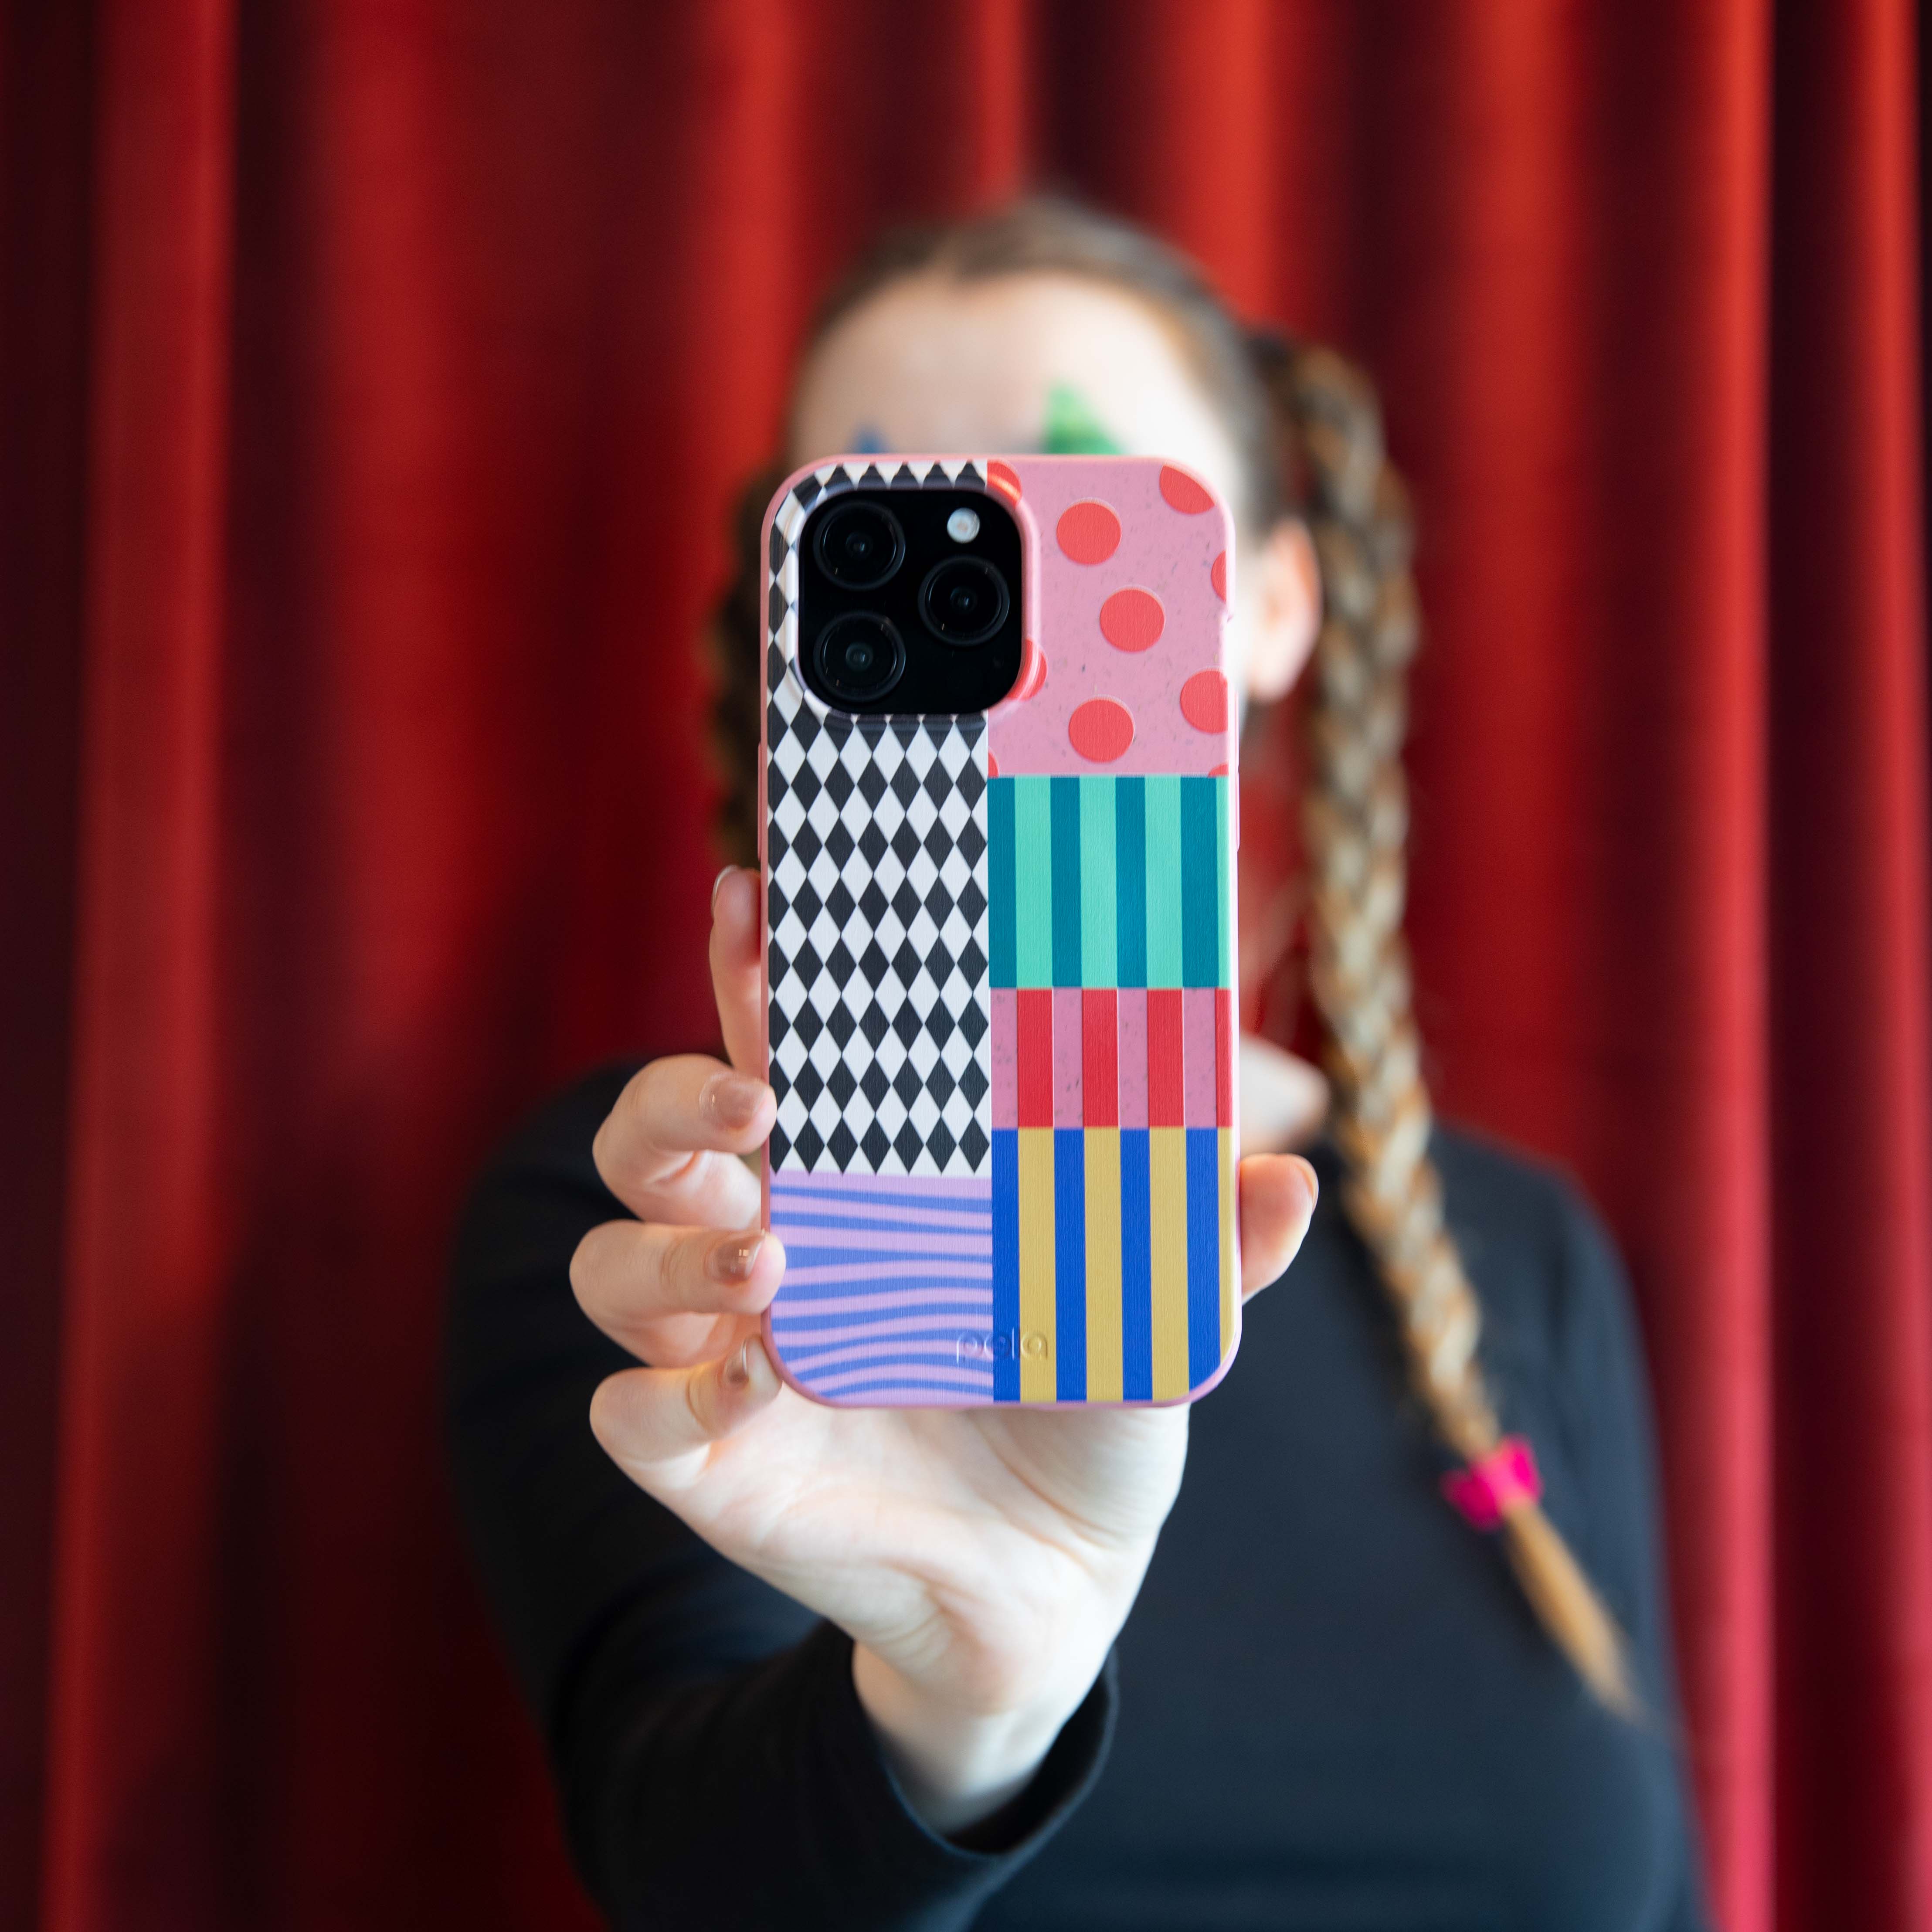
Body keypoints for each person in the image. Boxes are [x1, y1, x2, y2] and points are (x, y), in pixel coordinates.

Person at [444, 197, 1708, 1930]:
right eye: (887, 522)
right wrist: (972, 1696)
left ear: (1268, 606)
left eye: (1071, 516)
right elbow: (693, 1871)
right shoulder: (671, 1224)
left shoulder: (1520, 1251)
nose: (984, 624)